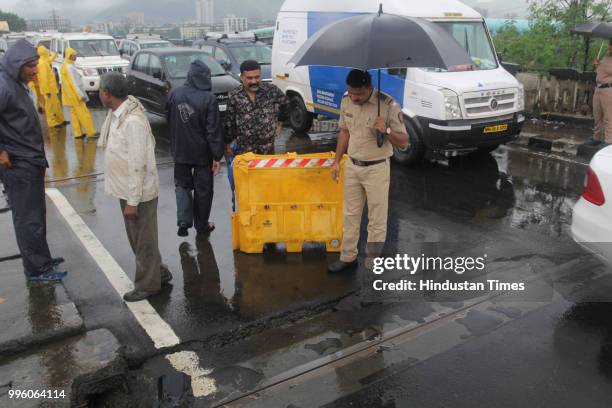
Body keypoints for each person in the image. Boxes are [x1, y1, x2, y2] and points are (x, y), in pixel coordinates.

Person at [97, 72, 172, 302]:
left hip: (137, 194)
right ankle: (158, 271)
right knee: (142, 239)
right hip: (128, 190)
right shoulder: (118, 113)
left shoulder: (133, 121)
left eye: (100, 90)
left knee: (142, 241)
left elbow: (138, 165)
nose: (99, 94)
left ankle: (148, 285)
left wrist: (132, 201)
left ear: (107, 93)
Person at [328, 69, 409, 273]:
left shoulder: (388, 105)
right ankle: (348, 257)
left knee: (376, 220)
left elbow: (405, 143)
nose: (354, 98)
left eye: (359, 94)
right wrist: (336, 161)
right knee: (350, 215)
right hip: (353, 166)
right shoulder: (346, 101)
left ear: (369, 88)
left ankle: (373, 264)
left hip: (377, 169)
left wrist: (386, 130)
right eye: (351, 92)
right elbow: (345, 131)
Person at [0, 39, 67, 281]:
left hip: (30, 159)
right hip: (18, 163)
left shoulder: (15, 82)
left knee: (36, 215)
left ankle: (41, 258)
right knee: (28, 218)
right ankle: (37, 269)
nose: (36, 70)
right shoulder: (4, 85)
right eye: (31, 66)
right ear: (18, 65)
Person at [167, 60, 223, 237]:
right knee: (203, 190)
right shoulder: (209, 99)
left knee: (182, 185)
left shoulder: (174, 94)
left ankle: (184, 220)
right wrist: (216, 156)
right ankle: (202, 224)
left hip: (180, 150)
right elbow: (212, 130)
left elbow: (169, 118)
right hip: (202, 153)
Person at [224, 59, 290, 156]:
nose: (254, 81)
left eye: (257, 77)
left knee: (268, 171)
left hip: (267, 149)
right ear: (242, 77)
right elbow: (229, 122)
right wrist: (227, 143)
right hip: (245, 151)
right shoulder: (234, 96)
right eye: (249, 78)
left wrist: (280, 122)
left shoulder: (271, 90)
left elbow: (286, 104)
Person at [60, 47, 97, 139]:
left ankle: (78, 133)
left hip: (70, 95)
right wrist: (81, 95)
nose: (76, 57)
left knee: (74, 115)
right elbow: (74, 83)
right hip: (75, 96)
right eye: (74, 55)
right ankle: (91, 132)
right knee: (83, 113)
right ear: (70, 56)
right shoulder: (69, 67)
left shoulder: (65, 65)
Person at [36, 45, 66, 129]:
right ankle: (52, 122)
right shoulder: (42, 64)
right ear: (44, 52)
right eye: (46, 50)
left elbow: (50, 59)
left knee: (56, 105)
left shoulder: (45, 60)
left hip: (52, 89)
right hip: (48, 90)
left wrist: (55, 55)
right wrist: (46, 91)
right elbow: (44, 78)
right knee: (49, 107)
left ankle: (60, 120)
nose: (47, 51)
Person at [592, 39, 612, 145]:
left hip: (608, 90)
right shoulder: (605, 57)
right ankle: (596, 138)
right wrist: (597, 64)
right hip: (598, 88)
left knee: (609, 117)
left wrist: (601, 65)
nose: (609, 47)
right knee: (597, 116)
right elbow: (600, 72)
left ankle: (609, 141)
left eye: (610, 45)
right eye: (609, 44)